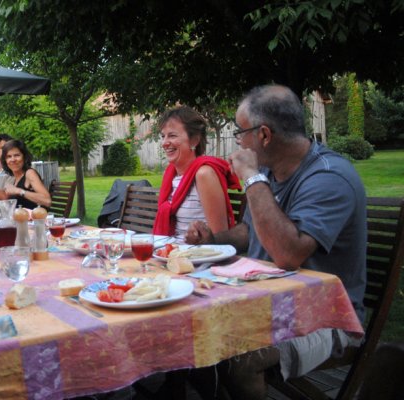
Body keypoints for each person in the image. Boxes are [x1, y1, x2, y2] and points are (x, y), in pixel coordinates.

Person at [185, 85, 366, 400]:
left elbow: (287, 254)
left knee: (239, 360)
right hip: (266, 304)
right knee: (190, 331)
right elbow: (250, 232)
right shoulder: (271, 172)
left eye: (240, 132)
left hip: (325, 317)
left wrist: (251, 178)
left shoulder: (327, 177)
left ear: (264, 135)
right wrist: (213, 239)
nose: (239, 141)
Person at [153, 106, 241, 242]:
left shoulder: (204, 174)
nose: (164, 143)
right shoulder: (171, 175)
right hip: (171, 254)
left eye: (172, 135)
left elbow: (219, 237)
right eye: (163, 136)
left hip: (198, 258)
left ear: (194, 140)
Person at [1, 140, 52, 209]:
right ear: (5, 160)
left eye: (17, 155)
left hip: (34, 218)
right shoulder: (14, 178)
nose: (13, 159)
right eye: (9, 156)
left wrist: (19, 191)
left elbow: (47, 201)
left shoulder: (30, 173)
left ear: (24, 157)